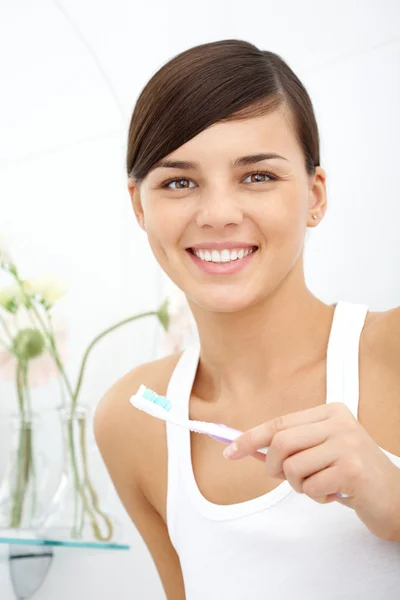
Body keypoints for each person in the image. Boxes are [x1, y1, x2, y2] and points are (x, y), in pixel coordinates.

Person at [94, 39, 400, 599]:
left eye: (257, 176)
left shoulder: (393, 351)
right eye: (179, 182)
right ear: (140, 207)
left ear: (314, 194)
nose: (217, 215)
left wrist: (395, 502)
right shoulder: (131, 420)